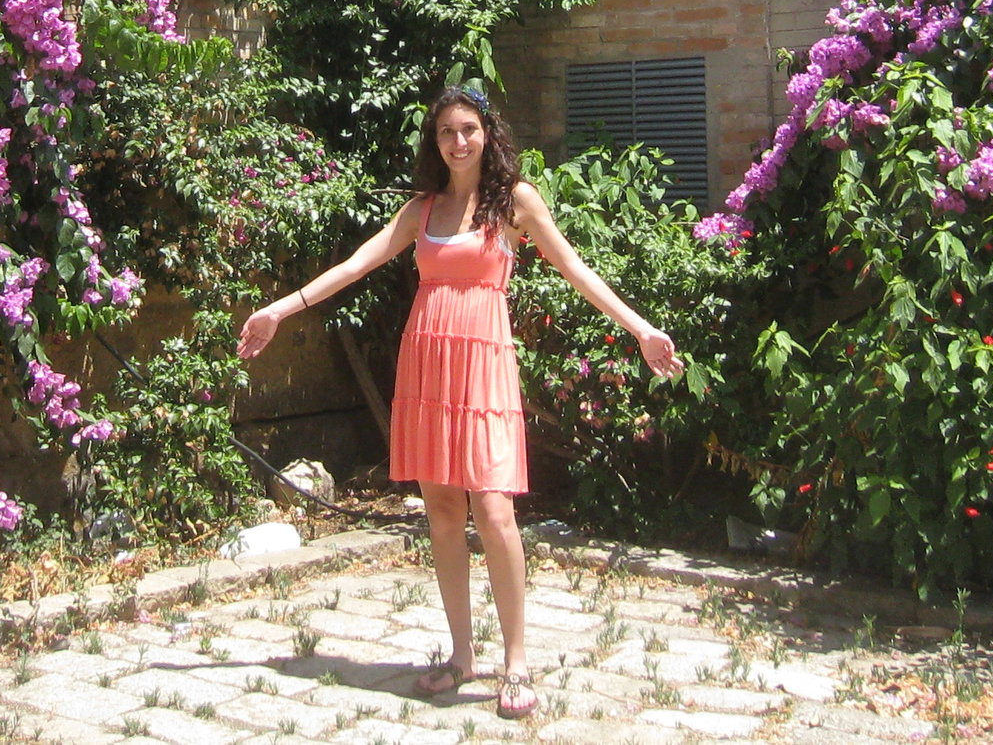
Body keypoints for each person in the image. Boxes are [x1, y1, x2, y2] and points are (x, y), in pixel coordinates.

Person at [237, 86, 681, 722]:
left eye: (468, 128)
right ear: (435, 142)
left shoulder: (515, 203)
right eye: (446, 131)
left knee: (493, 508)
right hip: (428, 362)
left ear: (488, 134)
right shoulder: (423, 210)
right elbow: (358, 263)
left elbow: (575, 268)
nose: (458, 140)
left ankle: (517, 663)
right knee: (442, 505)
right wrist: (279, 309)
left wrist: (641, 329)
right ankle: (462, 656)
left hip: (483, 364)